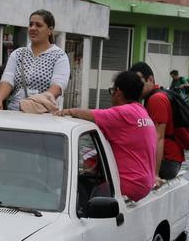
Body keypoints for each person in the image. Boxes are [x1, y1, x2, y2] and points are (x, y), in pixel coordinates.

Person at [60, 70, 157, 202]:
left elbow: (86, 114)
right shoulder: (141, 111)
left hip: (128, 186)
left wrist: (64, 111)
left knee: (72, 191)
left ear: (118, 92)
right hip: (144, 183)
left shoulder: (123, 113)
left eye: (112, 91)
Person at [0, 9, 71, 113]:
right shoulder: (18, 54)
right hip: (15, 112)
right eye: (31, 24)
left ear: (50, 30)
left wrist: (35, 103)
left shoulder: (59, 56)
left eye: (38, 25)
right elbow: (7, 80)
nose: (33, 28)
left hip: (44, 114)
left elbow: (58, 86)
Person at [131, 61, 184, 180]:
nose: (136, 87)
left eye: (139, 83)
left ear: (150, 79)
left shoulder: (156, 100)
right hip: (171, 160)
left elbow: (158, 137)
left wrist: (154, 175)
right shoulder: (156, 96)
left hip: (167, 164)